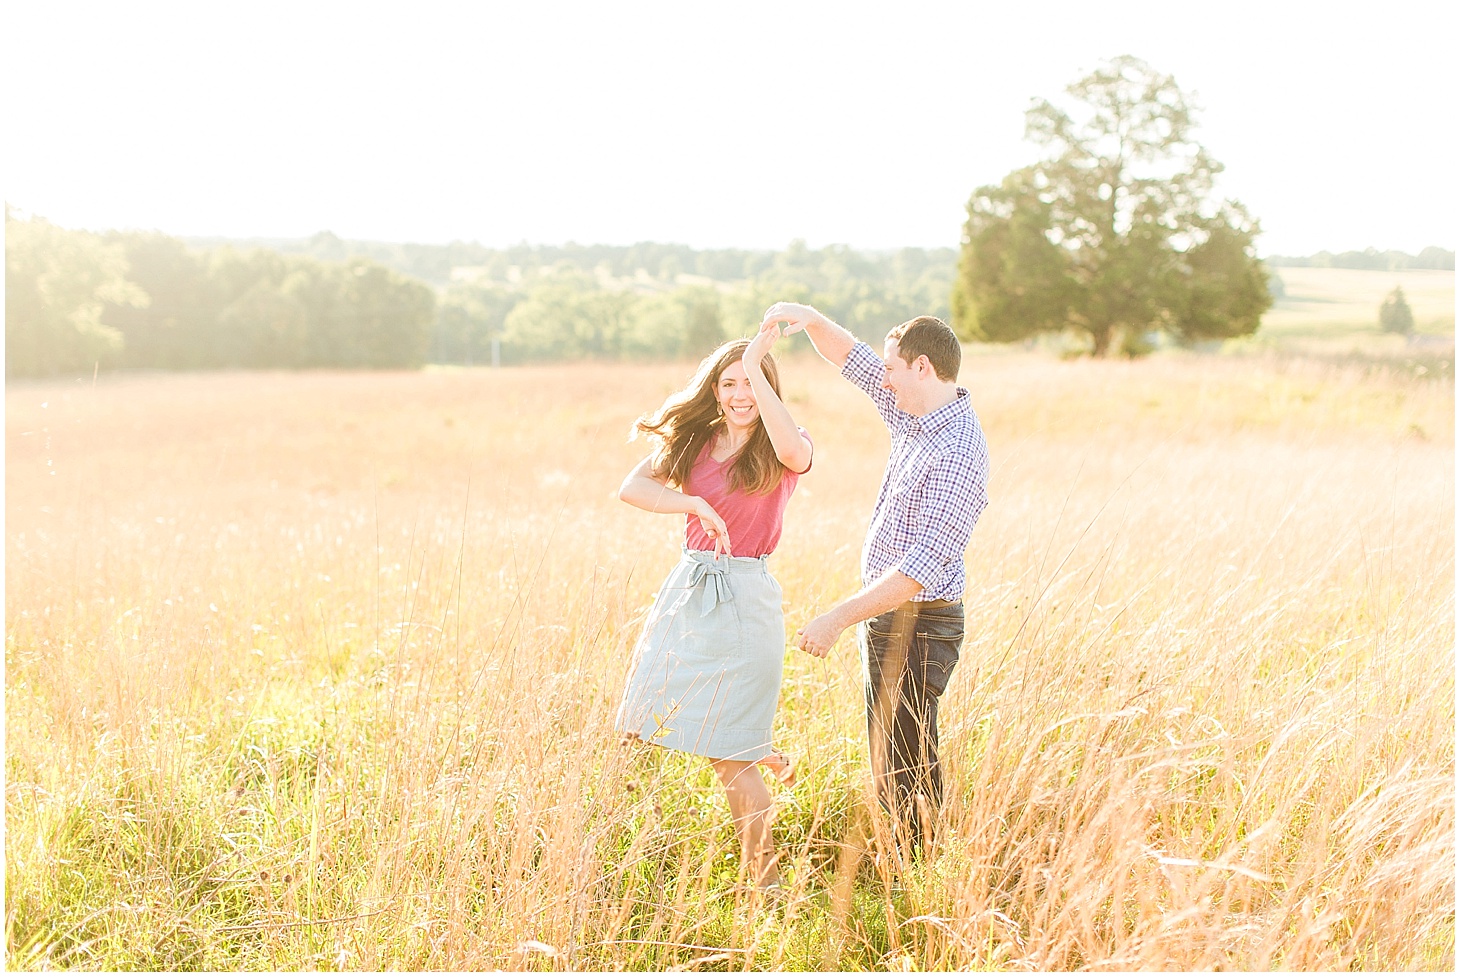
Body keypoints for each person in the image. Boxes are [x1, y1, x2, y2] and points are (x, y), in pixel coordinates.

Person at [760, 301, 989, 855]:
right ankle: (914, 862)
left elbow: (922, 569)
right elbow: (853, 359)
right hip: (890, 621)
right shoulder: (913, 413)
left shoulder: (959, 450)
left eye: (893, 369)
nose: (882, 378)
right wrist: (809, 318)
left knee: (905, 757)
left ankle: (922, 870)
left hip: (921, 623)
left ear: (923, 369)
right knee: (890, 753)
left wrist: (837, 617)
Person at [615, 325, 812, 891]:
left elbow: (795, 453)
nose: (741, 393)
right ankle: (759, 752)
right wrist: (693, 501)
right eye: (730, 382)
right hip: (689, 590)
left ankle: (768, 885)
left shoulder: (783, 443)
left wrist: (754, 357)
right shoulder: (695, 442)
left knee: (730, 759)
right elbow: (632, 487)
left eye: (753, 381)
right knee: (640, 720)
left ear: (768, 386)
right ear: (716, 389)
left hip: (746, 599)